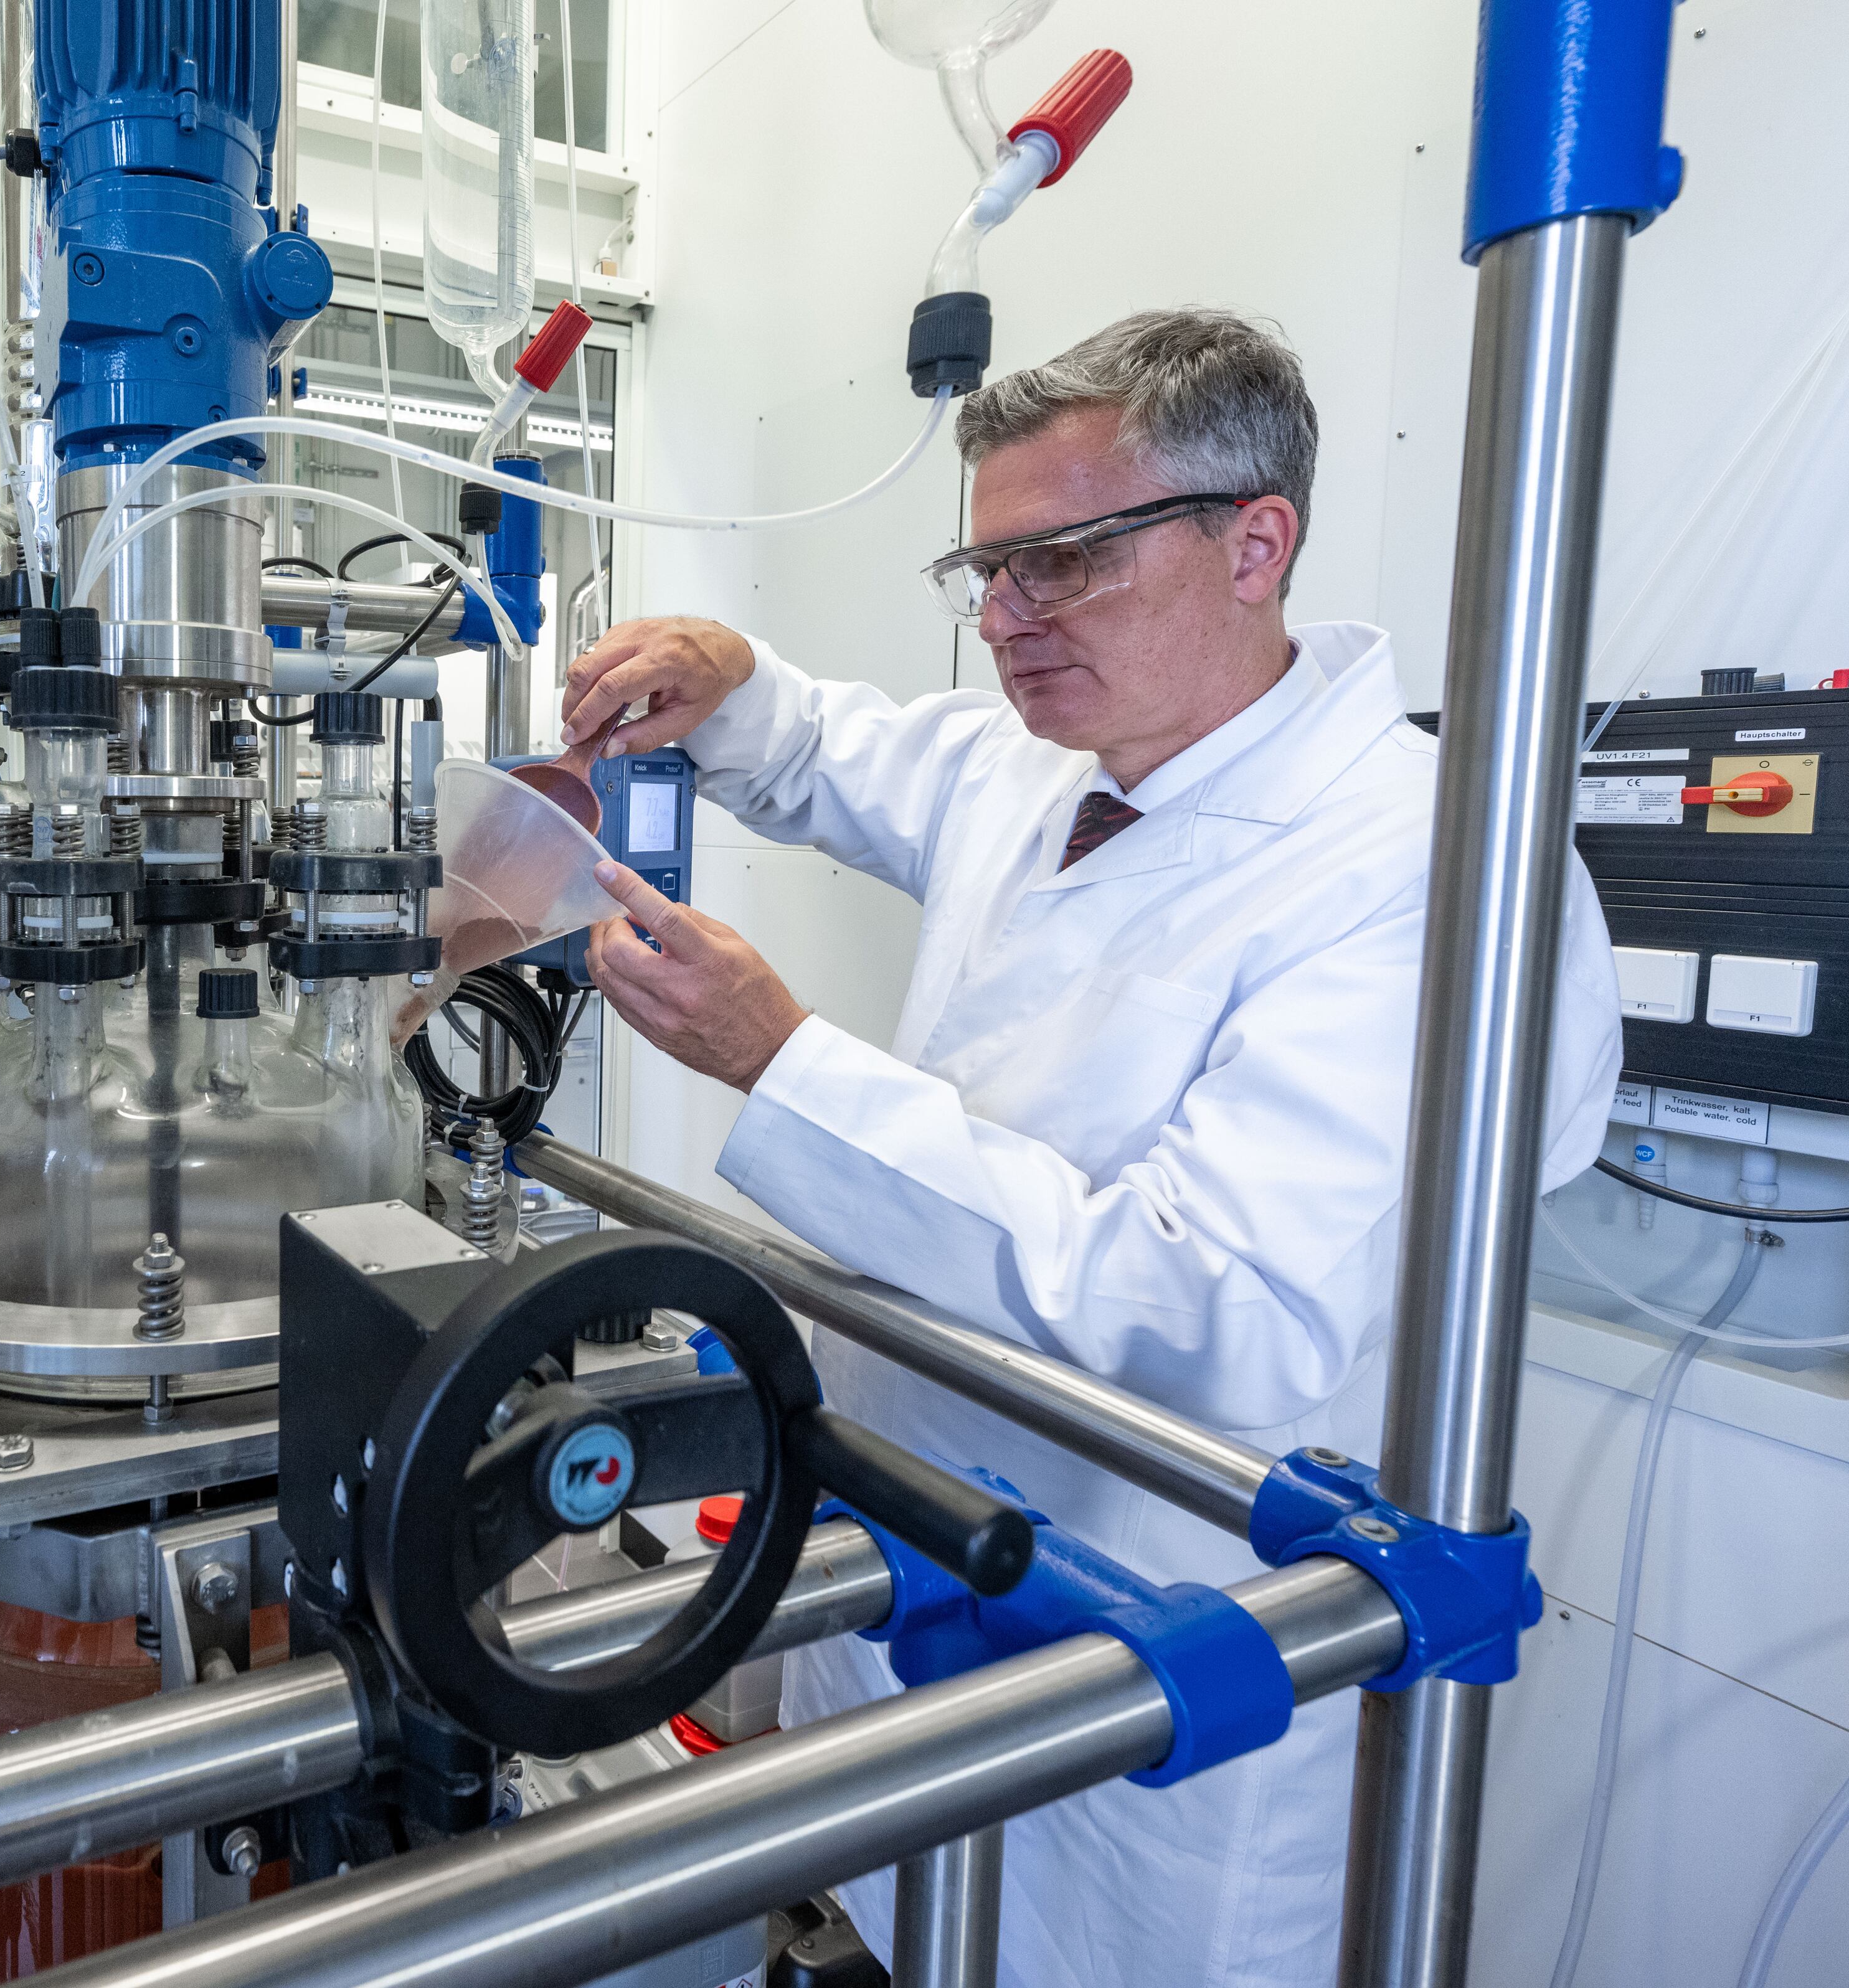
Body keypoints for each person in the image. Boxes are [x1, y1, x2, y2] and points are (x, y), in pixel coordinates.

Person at [562, 309, 1623, 1986]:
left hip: (1152, 1658)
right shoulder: (1057, 762)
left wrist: (784, 1063)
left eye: (1057, 564)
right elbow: (843, 751)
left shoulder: (1424, 871)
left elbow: (1219, 1302)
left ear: (1253, 542)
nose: (1001, 622)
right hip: (919, 1572)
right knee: (884, 1928)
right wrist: (730, 677)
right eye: (980, 572)